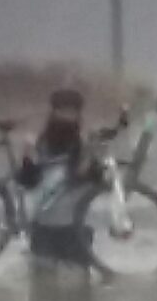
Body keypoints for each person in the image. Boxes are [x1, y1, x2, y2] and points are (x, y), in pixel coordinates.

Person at [14, 86, 103, 266]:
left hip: (73, 230)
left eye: (72, 112)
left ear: (78, 115)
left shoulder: (81, 144)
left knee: (79, 285)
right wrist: (26, 155)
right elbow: (27, 181)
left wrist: (91, 156)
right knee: (42, 284)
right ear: (53, 113)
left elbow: (93, 181)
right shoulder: (41, 143)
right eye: (62, 111)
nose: (67, 116)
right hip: (43, 230)